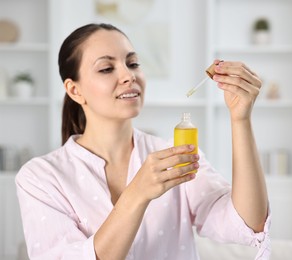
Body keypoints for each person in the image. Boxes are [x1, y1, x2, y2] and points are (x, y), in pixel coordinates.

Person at [15, 23, 270, 260]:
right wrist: (136, 194)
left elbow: (248, 222)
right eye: (106, 68)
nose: (128, 76)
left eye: (133, 63)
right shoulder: (40, 178)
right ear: (74, 90)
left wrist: (240, 120)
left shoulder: (175, 155)